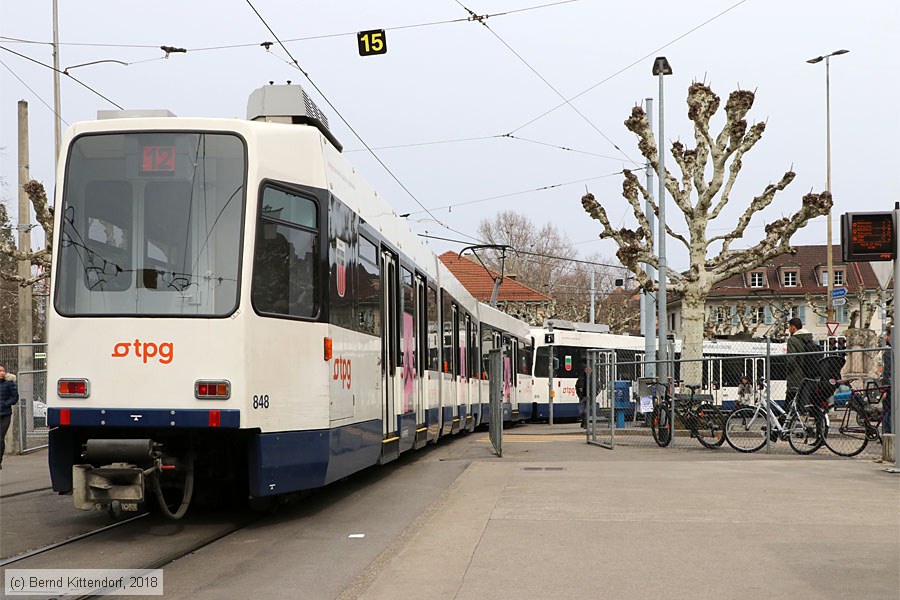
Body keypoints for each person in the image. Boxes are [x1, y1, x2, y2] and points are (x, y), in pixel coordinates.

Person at [785, 317, 815, 414]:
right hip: (809, 376)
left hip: (795, 377)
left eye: (789, 327)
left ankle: (781, 426)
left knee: (788, 405)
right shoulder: (810, 339)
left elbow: (791, 360)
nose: (789, 329)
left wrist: (788, 372)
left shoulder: (792, 340)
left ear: (793, 327)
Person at [0, 363, 19, 469]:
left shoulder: (9, 384)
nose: (2, 373)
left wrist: (6, 403)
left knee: (0, 437)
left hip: (5, 415)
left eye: (3, 371)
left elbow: (15, 397)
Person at [881, 328, 892, 435]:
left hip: (889, 388)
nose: (885, 338)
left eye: (886, 335)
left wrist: (883, 389)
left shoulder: (888, 353)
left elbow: (887, 371)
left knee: (887, 411)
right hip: (894, 386)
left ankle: (887, 434)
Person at [575, 362, 592, 428]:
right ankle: (583, 422)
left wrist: (593, 395)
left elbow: (597, 387)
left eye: (589, 369)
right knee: (581, 411)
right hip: (582, 397)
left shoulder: (593, 378)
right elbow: (577, 386)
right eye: (586, 369)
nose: (588, 371)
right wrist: (579, 394)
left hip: (589, 397)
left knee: (585, 411)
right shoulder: (581, 378)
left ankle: (586, 425)